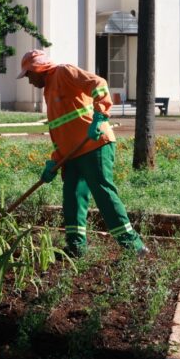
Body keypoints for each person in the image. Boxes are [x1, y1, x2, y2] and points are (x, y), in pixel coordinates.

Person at [17, 49, 148, 257]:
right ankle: (76, 247)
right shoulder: (48, 90)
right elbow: (60, 130)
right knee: (72, 197)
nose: (29, 81)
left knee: (103, 193)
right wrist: (54, 161)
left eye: (29, 75)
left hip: (94, 144)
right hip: (72, 155)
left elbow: (99, 84)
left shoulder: (64, 72)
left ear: (38, 69)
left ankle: (134, 247)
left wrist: (100, 117)